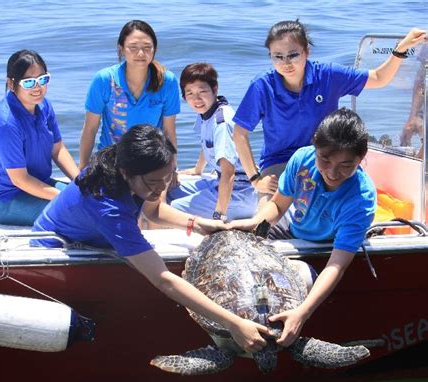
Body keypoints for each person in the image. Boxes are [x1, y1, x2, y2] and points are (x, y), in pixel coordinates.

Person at [34, 124, 270, 353]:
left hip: (95, 234)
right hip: (58, 247)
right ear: (126, 173)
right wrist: (233, 323)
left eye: (167, 179)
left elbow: (153, 211)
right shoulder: (108, 207)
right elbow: (163, 280)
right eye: (153, 183)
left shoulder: (126, 163)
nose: (161, 189)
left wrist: (196, 223)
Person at [226, 108, 376, 348]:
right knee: (236, 242)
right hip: (294, 227)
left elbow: (337, 264)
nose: (332, 173)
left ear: (361, 158)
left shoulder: (361, 199)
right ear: (314, 147)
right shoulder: (302, 160)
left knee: (303, 277)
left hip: (327, 246)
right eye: (324, 160)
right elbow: (277, 206)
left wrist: (302, 313)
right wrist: (254, 224)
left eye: (346, 165)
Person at [233, 20, 427, 203]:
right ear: (270, 56)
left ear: (306, 51)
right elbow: (240, 133)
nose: (286, 63)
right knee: (267, 220)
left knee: (353, 209)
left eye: (293, 55)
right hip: (279, 165)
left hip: (328, 162)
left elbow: (378, 78)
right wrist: (256, 179)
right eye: (278, 56)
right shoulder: (262, 86)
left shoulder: (327, 75)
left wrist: (401, 48)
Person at [0, 50, 79, 226]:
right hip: (6, 198)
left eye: (43, 79)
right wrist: (64, 196)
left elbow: (58, 149)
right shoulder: (5, 123)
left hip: (40, 183)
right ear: (11, 84)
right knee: (78, 212)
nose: (37, 87)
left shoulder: (44, 105)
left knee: (94, 200)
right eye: (29, 82)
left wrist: (81, 182)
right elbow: (20, 179)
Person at [79, 20, 180, 173]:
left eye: (147, 48)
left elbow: (169, 131)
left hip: (151, 162)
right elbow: (90, 129)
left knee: (155, 197)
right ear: (121, 50)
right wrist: (83, 169)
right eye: (133, 47)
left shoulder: (167, 81)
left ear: (155, 49)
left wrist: (172, 169)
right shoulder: (105, 80)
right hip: (111, 161)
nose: (141, 53)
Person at [167, 62, 258, 222]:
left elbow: (228, 173)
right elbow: (207, 143)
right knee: (170, 189)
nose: (197, 99)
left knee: (172, 209)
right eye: (190, 93)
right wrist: (197, 169)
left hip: (240, 193)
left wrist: (219, 215)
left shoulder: (221, 121)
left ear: (215, 89)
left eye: (202, 91)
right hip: (220, 181)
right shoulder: (207, 111)